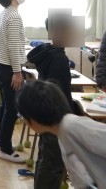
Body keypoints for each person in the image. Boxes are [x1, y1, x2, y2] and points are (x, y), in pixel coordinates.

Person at [26, 15, 76, 189]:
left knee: (46, 158)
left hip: (46, 112)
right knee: (53, 163)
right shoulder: (59, 58)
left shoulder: (49, 53)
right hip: (55, 115)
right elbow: (60, 91)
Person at [0, 0, 27, 163]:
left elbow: (12, 41)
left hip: (1, 65)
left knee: (5, 107)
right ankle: (6, 150)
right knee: (12, 110)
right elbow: (13, 47)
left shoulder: (4, 13)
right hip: (9, 69)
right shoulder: (13, 16)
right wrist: (17, 72)